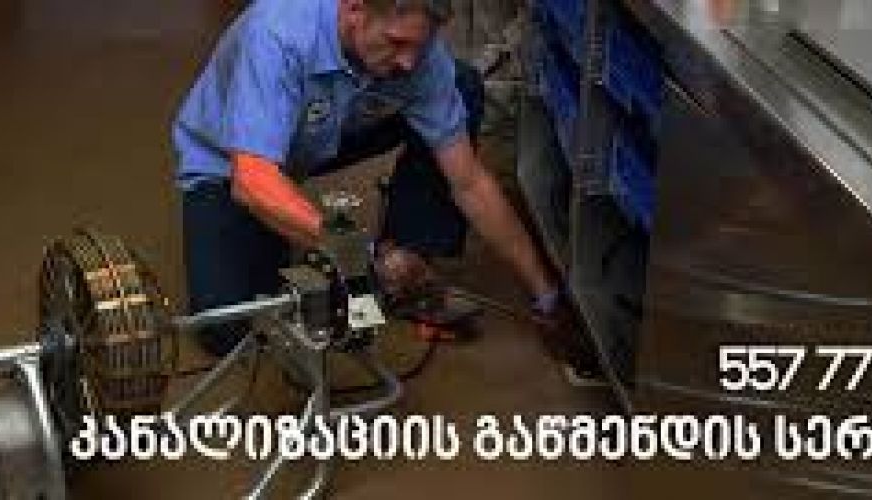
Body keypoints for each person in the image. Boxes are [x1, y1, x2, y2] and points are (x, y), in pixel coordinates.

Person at [172, 0, 600, 382]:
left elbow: (469, 181)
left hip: (326, 131)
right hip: (231, 162)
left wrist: (547, 294)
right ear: (354, 9)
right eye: (397, 43)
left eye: (418, 46)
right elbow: (252, 180)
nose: (408, 62)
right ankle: (368, 261)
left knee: (462, 84)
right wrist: (353, 250)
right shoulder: (277, 34)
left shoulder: (415, 59)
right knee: (226, 328)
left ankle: (407, 258)